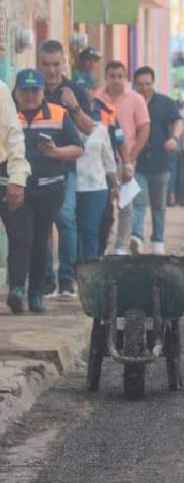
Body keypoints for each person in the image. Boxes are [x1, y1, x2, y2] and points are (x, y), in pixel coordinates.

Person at [1, 69, 83, 313]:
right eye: (24, 91)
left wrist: (55, 153)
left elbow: (78, 148)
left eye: (34, 91)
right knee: (19, 236)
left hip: (49, 189)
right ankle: (16, 288)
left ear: (42, 91)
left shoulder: (58, 114)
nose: (29, 96)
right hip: (14, 186)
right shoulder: (8, 111)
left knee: (39, 240)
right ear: (16, 92)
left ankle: (36, 291)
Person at [38, 40, 94, 298]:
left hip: (66, 166)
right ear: (40, 65)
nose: (51, 70)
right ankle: (46, 280)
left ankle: (67, 279)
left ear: (64, 63)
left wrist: (73, 106)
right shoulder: (31, 89)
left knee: (65, 218)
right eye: (47, 65)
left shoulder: (74, 90)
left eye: (56, 64)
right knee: (41, 221)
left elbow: (89, 128)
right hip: (35, 168)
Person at [94, 61, 150, 255]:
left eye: (120, 76)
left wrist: (131, 159)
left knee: (126, 204)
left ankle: (121, 247)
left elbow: (143, 129)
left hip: (125, 159)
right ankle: (103, 243)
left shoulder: (135, 99)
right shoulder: (96, 98)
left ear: (125, 77)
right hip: (99, 162)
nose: (116, 80)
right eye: (112, 76)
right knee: (103, 204)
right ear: (106, 77)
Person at [131, 66, 183, 254]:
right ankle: (136, 237)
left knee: (159, 205)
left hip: (161, 162)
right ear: (135, 84)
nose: (144, 88)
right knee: (139, 202)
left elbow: (178, 121)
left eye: (148, 84)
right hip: (137, 162)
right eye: (141, 84)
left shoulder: (165, 103)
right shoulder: (130, 102)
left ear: (153, 83)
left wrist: (174, 138)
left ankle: (158, 242)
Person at [73, 72, 119, 260]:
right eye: (79, 91)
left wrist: (115, 184)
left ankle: (90, 267)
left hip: (96, 187)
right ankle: (74, 268)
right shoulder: (64, 123)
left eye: (86, 90)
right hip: (71, 185)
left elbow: (109, 158)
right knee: (73, 229)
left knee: (91, 228)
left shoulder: (101, 127)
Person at [0, 78, 31, 310]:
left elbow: (13, 134)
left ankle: (17, 288)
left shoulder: (0, 90)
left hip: (3, 172)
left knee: (19, 233)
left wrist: (17, 178)